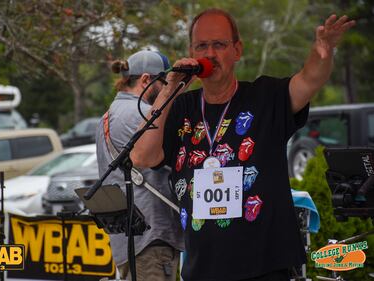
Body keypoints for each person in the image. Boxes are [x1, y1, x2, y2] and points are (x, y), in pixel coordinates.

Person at [130, 8, 355, 281]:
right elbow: (141, 156)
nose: (210, 53)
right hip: (202, 268)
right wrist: (169, 88)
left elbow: (310, 79)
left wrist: (323, 51)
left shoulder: (264, 97)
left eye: (219, 44)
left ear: (237, 50)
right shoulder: (180, 108)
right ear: (191, 50)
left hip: (264, 266)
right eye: (202, 45)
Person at [95, 50, 184, 281]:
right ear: (146, 80)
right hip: (152, 235)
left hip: (128, 240)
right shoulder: (144, 114)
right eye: (165, 83)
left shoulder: (108, 115)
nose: (167, 90)